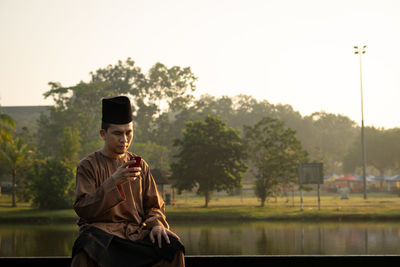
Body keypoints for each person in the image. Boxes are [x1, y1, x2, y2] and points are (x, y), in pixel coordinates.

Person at [71, 96, 185, 267]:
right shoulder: (88, 166)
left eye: (128, 132)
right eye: (117, 133)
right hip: (102, 235)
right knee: (84, 249)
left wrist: (157, 225)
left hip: (135, 234)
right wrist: (113, 181)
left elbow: (154, 206)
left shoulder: (140, 165)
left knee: (172, 247)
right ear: (103, 134)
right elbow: (83, 209)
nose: (124, 139)